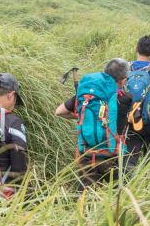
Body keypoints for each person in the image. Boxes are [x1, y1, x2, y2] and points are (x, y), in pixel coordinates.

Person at [55, 58, 133, 187]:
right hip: (113, 154)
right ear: (122, 80)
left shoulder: (86, 96)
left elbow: (59, 111)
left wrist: (82, 116)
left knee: (85, 198)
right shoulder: (125, 98)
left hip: (87, 152)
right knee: (121, 197)